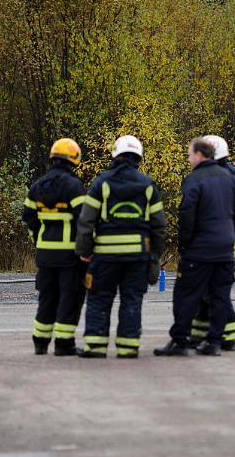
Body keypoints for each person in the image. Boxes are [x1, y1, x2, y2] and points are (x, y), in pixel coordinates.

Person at [75, 135, 166, 358]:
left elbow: (86, 221)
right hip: (137, 258)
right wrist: (153, 254)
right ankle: (128, 347)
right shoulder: (147, 185)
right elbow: (159, 225)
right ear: (138, 157)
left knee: (99, 299)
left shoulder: (102, 183)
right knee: (132, 300)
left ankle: (95, 347)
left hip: (105, 258)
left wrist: (84, 251)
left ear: (116, 154)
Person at [154, 137, 235, 357]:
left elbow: (187, 215)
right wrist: (229, 236)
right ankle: (214, 343)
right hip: (225, 248)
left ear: (200, 155)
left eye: (190, 154)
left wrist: (185, 245)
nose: (188, 158)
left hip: (200, 249)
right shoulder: (230, 177)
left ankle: (180, 341)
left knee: (186, 294)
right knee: (219, 295)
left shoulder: (194, 179)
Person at [22, 138, 87, 356]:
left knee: (47, 297)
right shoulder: (74, 186)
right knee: (70, 298)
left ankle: (40, 342)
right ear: (74, 159)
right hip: (70, 255)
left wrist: (38, 240)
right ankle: (64, 344)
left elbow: (29, 217)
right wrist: (86, 249)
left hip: (45, 254)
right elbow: (84, 220)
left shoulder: (37, 186)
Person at [189, 135, 235, 351]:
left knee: (215, 293)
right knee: (209, 293)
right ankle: (203, 335)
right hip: (226, 243)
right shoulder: (231, 176)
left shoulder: (224, 177)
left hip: (219, 246)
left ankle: (225, 337)